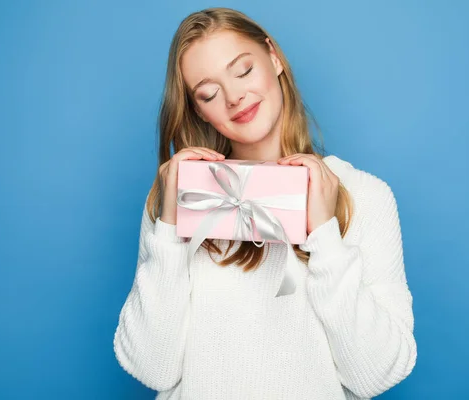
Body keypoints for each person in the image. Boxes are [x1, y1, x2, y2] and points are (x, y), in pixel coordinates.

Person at [113, 7, 417, 400]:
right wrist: (170, 229)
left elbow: (376, 375)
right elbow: (151, 367)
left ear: (273, 58)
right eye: (209, 93)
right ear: (197, 109)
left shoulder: (364, 195)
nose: (235, 97)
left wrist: (325, 238)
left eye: (242, 71)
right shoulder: (178, 197)